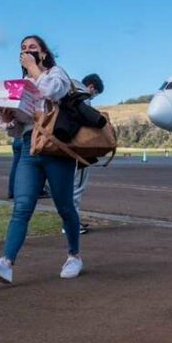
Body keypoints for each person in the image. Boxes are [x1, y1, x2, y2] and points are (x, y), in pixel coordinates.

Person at [0, 35, 83, 285]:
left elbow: (52, 91)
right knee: (22, 205)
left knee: (65, 206)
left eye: (32, 48)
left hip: (56, 147)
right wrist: (7, 120)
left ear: (44, 54)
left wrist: (35, 69)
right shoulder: (22, 83)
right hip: (29, 147)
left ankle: (74, 256)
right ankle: (6, 263)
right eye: (23, 49)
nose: (27, 52)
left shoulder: (56, 73)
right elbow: (19, 129)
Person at [69, 73, 104, 236]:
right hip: (79, 150)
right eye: (95, 93)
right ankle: (71, 224)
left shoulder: (66, 91)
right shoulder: (83, 97)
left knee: (69, 187)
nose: (93, 96)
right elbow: (90, 121)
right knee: (77, 188)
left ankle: (70, 222)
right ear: (91, 87)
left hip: (64, 149)